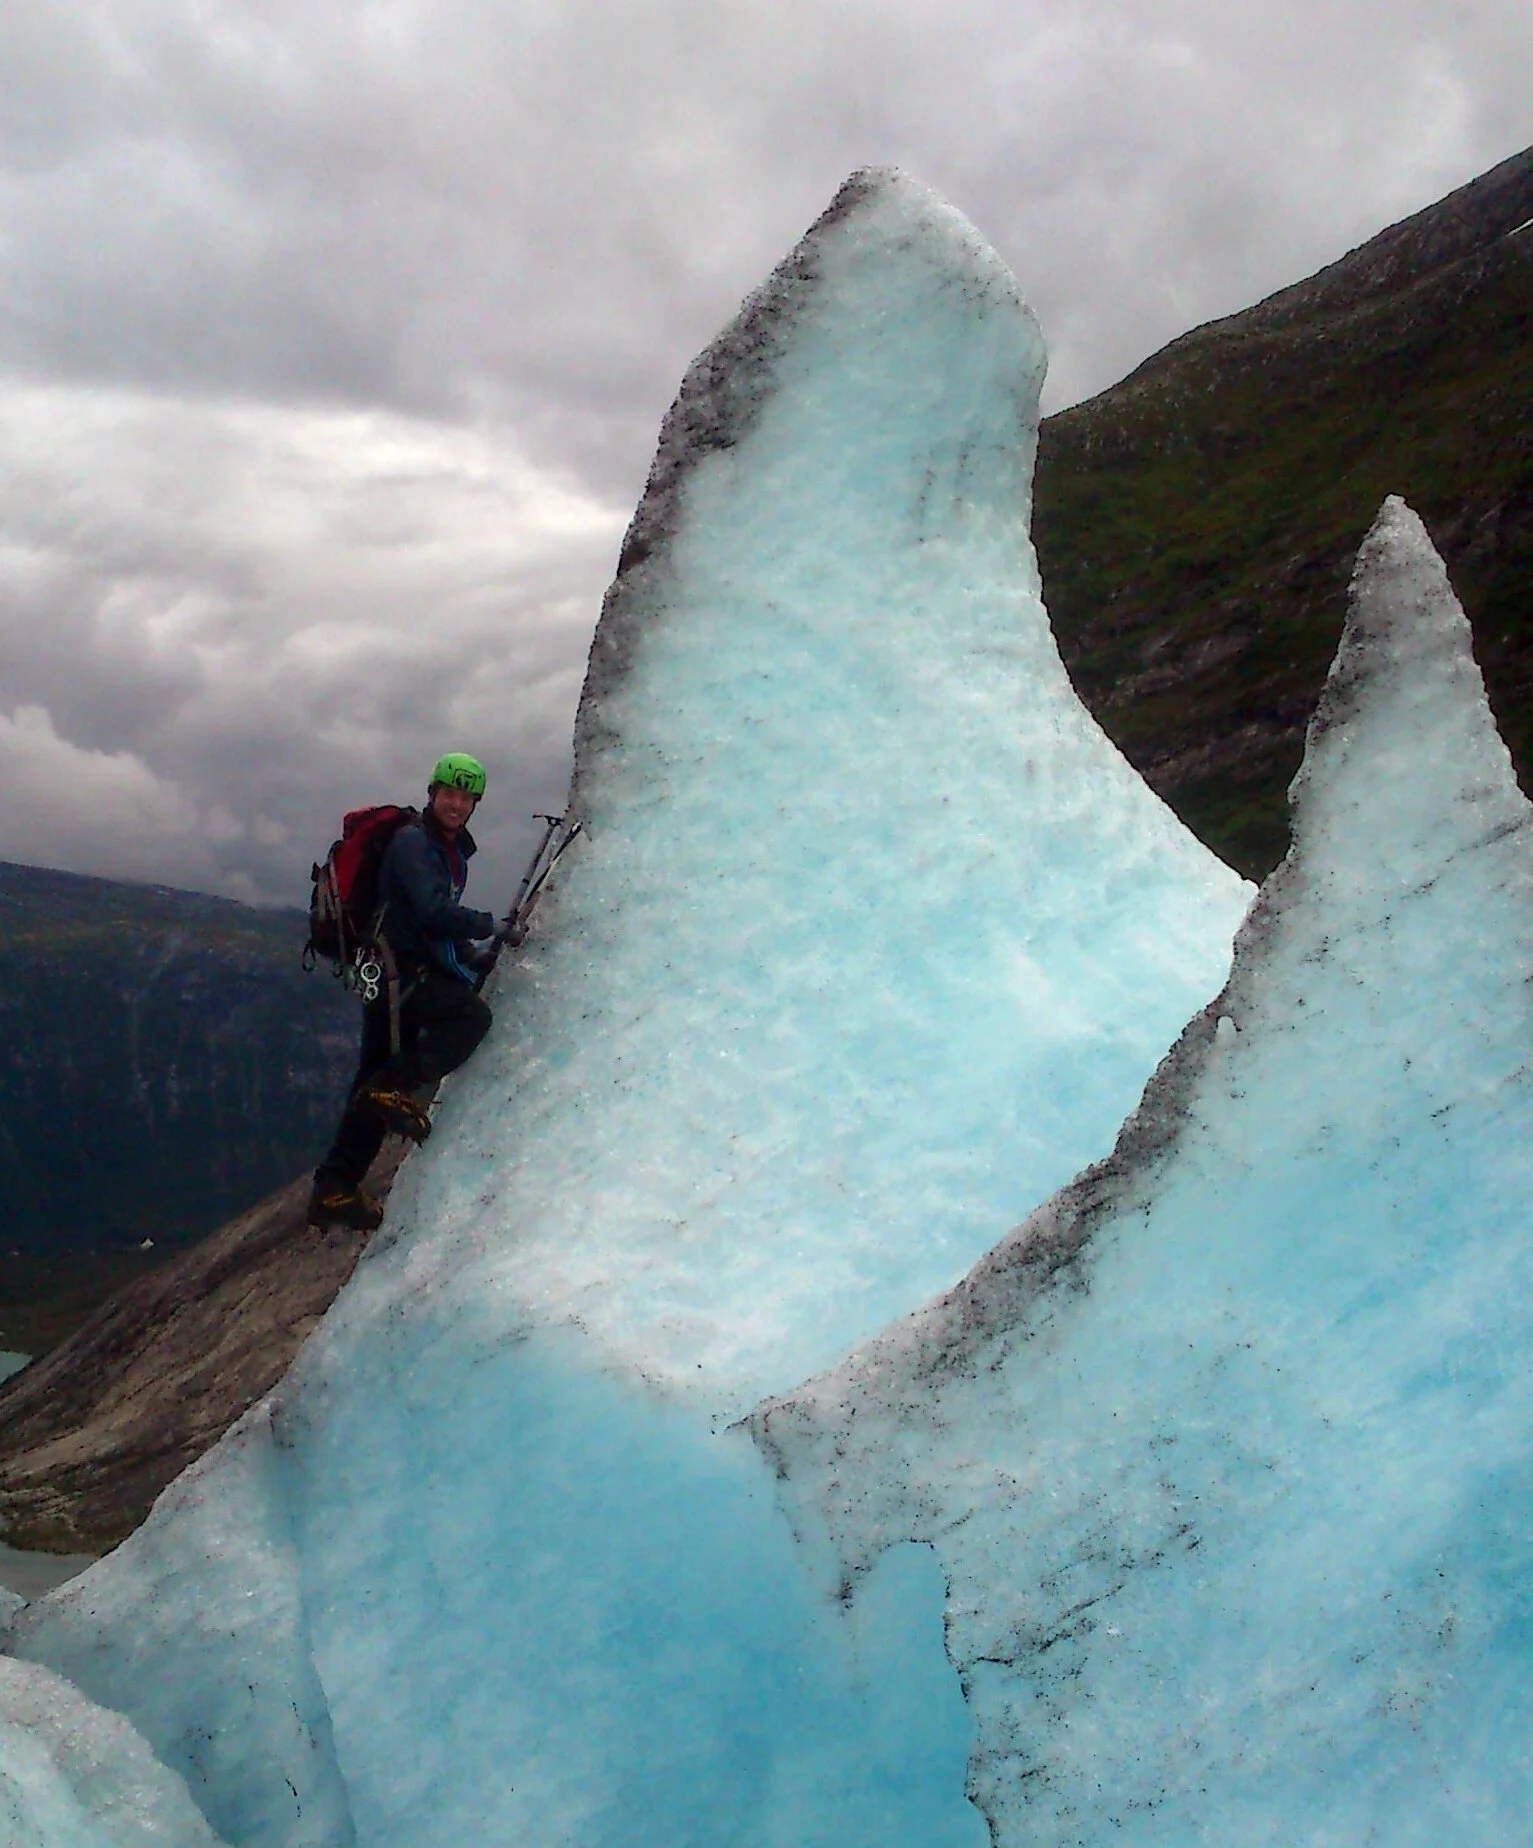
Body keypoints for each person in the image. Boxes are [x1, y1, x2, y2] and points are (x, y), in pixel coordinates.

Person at [308, 752, 500, 1231]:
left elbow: (428, 918)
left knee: (373, 1076)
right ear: (433, 792)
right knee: (468, 1019)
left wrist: (469, 954)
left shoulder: (442, 846)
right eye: (449, 793)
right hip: (398, 974)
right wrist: (489, 927)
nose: (456, 803)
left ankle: (335, 1188)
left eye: (466, 796)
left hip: (392, 971)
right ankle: (385, 1101)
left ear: (475, 802)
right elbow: (433, 912)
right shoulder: (416, 845)